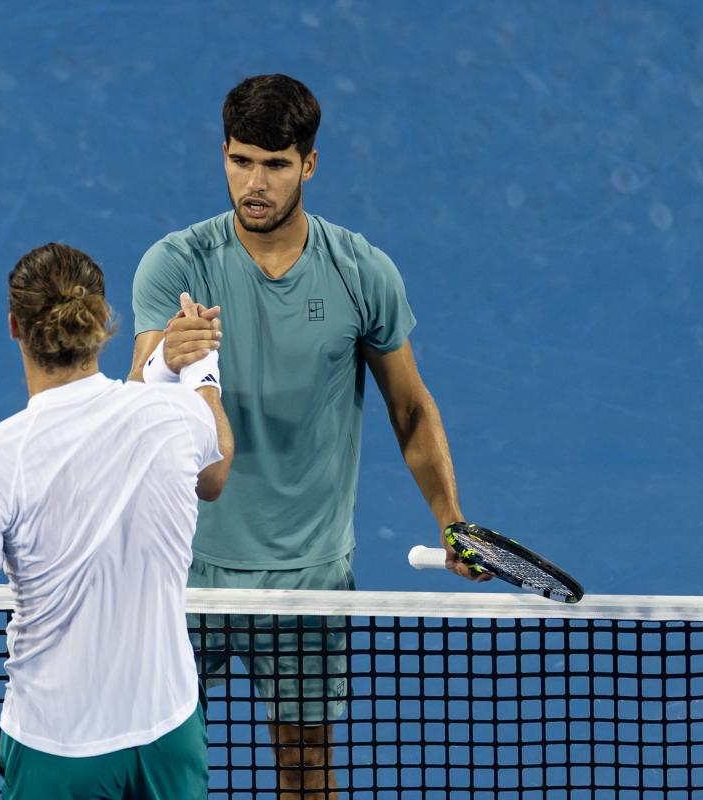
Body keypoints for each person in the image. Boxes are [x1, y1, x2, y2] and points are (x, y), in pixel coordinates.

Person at [129, 74, 488, 800]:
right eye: (240, 161)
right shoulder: (176, 264)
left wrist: (452, 523)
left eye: (275, 164)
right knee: (151, 760)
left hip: (309, 576)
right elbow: (136, 406)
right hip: (185, 568)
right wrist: (165, 357)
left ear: (310, 164)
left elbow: (412, 411)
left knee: (305, 769)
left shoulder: (362, 273)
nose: (254, 184)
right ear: (223, 154)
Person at [0, 242, 234, 800]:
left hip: (60, 749)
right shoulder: (176, 418)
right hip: (170, 734)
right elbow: (214, 473)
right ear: (104, 323)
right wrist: (195, 371)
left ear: (14, 326)